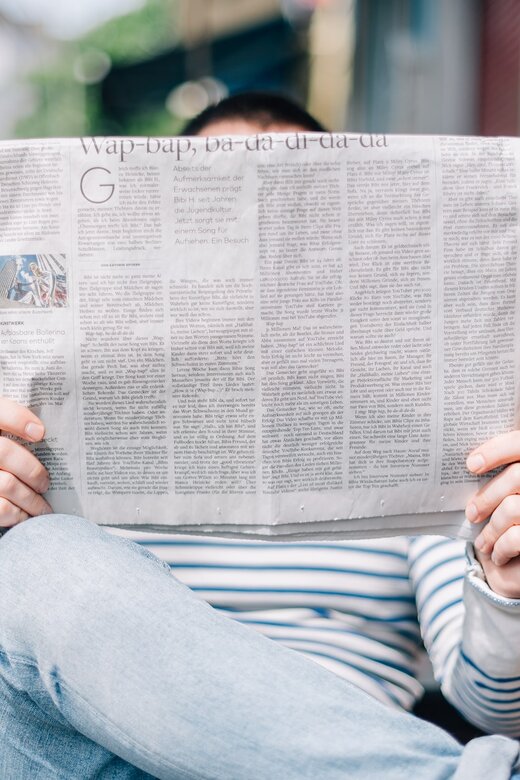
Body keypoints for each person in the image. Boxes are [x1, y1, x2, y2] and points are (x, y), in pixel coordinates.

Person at [0, 93, 519, 779]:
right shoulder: (46, 413)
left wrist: (507, 588)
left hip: (342, 752)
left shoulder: (428, 432)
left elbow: (493, 705)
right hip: (98, 755)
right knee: (40, 556)